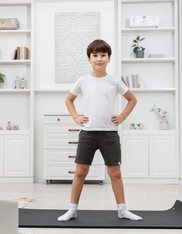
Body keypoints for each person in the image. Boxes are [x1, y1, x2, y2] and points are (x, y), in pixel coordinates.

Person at [58, 39, 142, 222]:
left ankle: (122, 210)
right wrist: (76, 117)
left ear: (109, 58)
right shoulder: (83, 81)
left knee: (115, 173)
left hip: (109, 133)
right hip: (87, 133)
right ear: (89, 59)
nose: (99, 59)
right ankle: (72, 210)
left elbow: (132, 99)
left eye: (103, 55)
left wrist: (122, 117)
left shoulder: (114, 81)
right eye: (95, 55)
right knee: (80, 171)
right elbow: (68, 100)